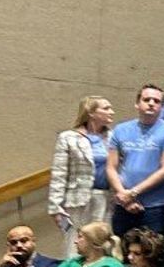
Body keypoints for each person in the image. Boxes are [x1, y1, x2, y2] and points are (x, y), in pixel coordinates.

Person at [104, 84, 164, 239]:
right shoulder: (121, 129)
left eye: (156, 101)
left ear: (161, 106)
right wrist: (122, 195)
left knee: (152, 256)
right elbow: (111, 167)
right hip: (123, 205)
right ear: (137, 103)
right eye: (147, 99)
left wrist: (133, 193)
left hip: (155, 207)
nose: (151, 103)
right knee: (122, 256)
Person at [48, 95, 117, 239]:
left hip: (105, 198)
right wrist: (55, 206)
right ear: (91, 113)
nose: (112, 112)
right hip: (77, 198)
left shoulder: (114, 137)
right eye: (106, 108)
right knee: (75, 243)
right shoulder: (68, 137)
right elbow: (59, 174)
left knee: (101, 243)